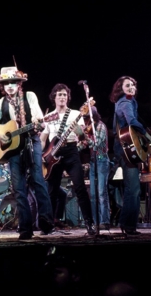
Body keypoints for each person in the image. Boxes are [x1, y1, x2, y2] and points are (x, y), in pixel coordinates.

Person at [0, 66, 54, 240]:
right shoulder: (0, 104)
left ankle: (46, 220)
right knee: (19, 187)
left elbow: (39, 119)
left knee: (38, 180)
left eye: (13, 82)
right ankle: (25, 228)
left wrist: (40, 123)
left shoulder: (29, 96)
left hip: (32, 141)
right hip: (14, 149)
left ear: (19, 83)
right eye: (6, 83)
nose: (9, 86)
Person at [40, 83, 95, 234]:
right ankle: (49, 224)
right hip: (53, 155)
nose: (62, 97)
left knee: (80, 188)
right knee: (52, 190)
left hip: (71, 151)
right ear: (54, 97)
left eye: (65, 94)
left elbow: (82, 136)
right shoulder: (48, 116)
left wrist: (79, 130)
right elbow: (43, 139)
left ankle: (90, 223)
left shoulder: (75, 114)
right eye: (59, 95)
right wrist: (40, 155)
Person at [110, 75, 151, 235]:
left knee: (132, 188)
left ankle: (128, 224)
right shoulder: (126, 103)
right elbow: (132, 121)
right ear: (121, 88)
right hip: (124, 147)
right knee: (133, 188)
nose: (131, 87)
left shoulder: (127, 102)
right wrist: (146, 135)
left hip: (122, 146)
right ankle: (128, 225)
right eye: (127, 85)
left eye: (133, 85)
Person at [79, 105, 111, 231]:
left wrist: (85, 137)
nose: (85, 122)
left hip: (102, 160)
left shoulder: (100, 126)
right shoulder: (89, 128)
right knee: (92, 194)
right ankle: (95, 221)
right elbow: (83, 146)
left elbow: (97, 144)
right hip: (93, 161)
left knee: (101, 192)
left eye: (87, 119)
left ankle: (105, 221)